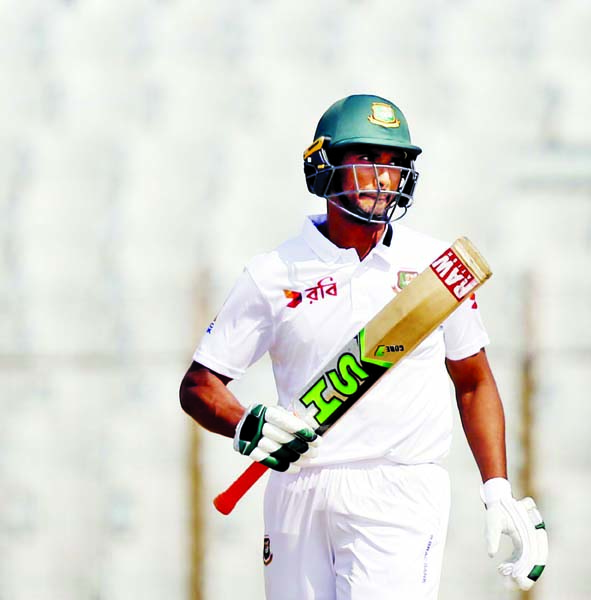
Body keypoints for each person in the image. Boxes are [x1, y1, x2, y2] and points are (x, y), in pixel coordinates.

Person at [179, 94, 548, 599]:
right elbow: (200, 385)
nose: (385, 176)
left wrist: (497, 489)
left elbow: (473, 382)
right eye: (369, 159)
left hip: (398, 487)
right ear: (324, 164)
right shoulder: (272, 274)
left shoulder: (436, 267)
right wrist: (245, 423)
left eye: (397, 164)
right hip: (298, 486)